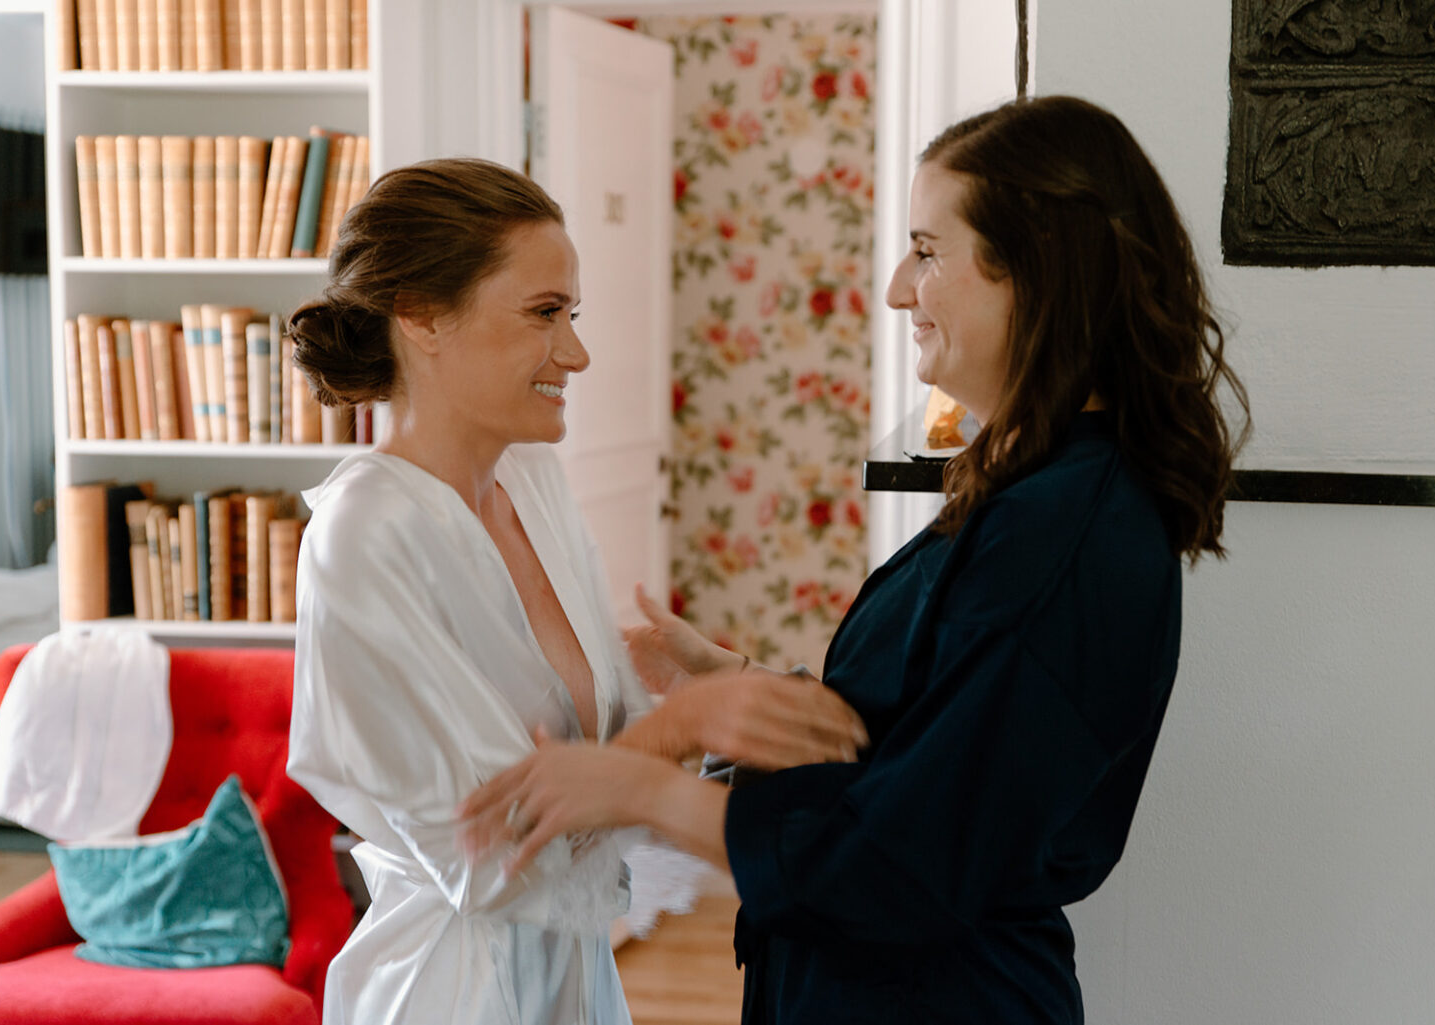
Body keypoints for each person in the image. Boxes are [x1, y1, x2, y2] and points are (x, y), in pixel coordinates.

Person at [462, 94, 1251, 1025]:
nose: (897, 290)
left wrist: (642, 783)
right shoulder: (1039, 489)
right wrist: (747, 689)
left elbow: (900, 858)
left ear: (1038, 269)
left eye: (926, 251)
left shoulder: (1063, 536)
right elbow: (937, 735)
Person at [283, 157, 867, 1025]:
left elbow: (602, 770)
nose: (577, 352)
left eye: (574, 314)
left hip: (576, 977)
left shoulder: (533, 483)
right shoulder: (363, 537)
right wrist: (682, 725)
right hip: (456, 992)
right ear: (421, 315)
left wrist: (704, 700)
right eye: (544, 313)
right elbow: (484, 853)